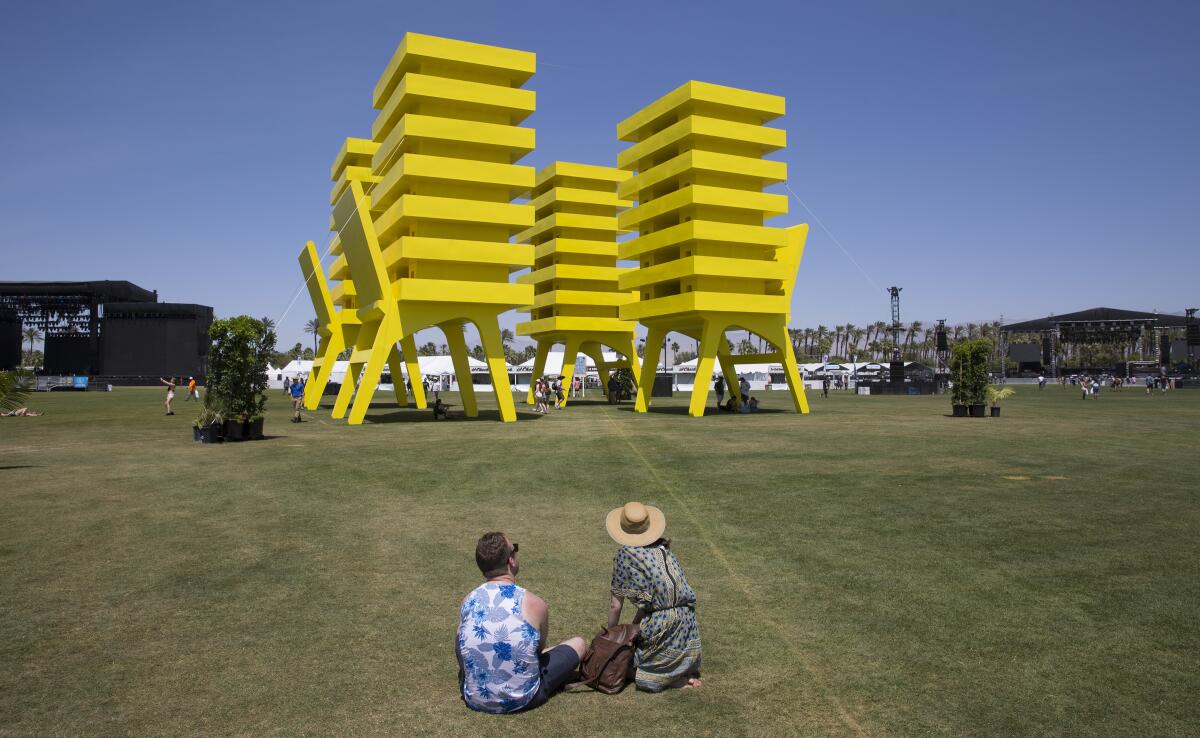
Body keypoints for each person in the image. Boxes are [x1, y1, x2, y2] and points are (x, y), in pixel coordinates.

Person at [457, 532, 585, 713]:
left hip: (475, 698)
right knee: (578, 644)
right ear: (511, 561)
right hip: (523, 699)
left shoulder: (468, 600)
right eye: (514, 549)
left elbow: (460, 648)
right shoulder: (534, 604)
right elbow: (539, 650)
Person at [605, 502, 702, 691]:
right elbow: (652, 602)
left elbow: (615, 606)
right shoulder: (663, 550)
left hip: (663, 625)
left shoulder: (626, 554)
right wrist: (634, 628)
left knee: (626, 667)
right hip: (688, 623)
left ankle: (668, 678)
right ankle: (679, 670)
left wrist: (611, 640)